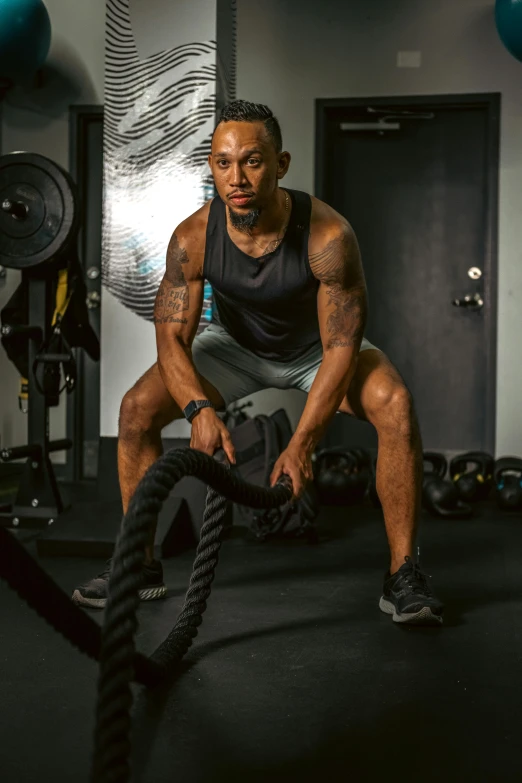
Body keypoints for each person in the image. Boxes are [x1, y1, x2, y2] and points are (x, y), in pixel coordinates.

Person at [73, 100, 443, 626]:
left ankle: (403, 574)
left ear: (281, 164)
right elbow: (172, 340)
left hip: (316, 350)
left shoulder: (328, 237)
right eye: (223, 163)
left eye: (252, 160)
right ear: (211, 166)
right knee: (136, 410)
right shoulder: (193, 237)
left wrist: (301, 444)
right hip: (235, 348)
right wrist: (198, 408)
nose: (237, 176)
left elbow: (341, 346)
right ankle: (140, 565)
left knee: (396, 404)